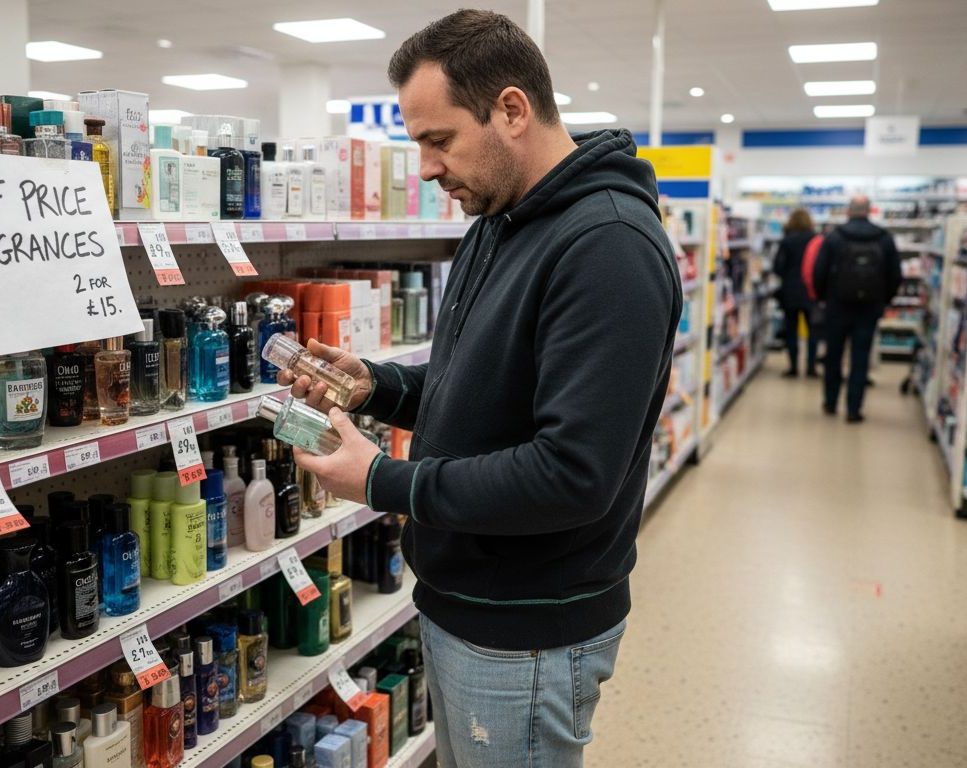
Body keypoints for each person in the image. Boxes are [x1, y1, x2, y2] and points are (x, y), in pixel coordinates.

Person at [282, 10, 682, 766]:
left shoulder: (608, 248)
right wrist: (380, 387)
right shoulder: (499, 221)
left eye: (439, 140)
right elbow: (481, 384)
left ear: (511, 109)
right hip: (465, 602)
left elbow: (572, 475)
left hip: (527, 628)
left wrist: (381, 480)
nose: (428, 168)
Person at [813, 195, 902, 422]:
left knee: (833, 355)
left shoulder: (835, 237)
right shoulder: (884, 238)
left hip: (837, 306)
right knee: (860, 358)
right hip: (869, 308)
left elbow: (819, 271)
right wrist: (883, 299)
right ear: (870, 211)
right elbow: (895, 275)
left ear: (848, 211)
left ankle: (831, 402)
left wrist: (824, 298)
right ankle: (854, 409)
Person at [771, 208, 819, 378]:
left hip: (790, 291)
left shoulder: (787, 240)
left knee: (791, 330)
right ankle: (811, 367)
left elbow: (778, 266)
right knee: (813, 330)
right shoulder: (816, 240)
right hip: (811, 291)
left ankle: (793, 367)